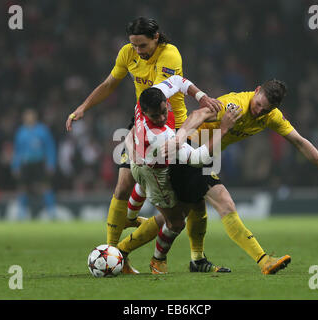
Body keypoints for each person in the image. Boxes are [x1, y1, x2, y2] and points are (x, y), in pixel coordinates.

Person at [117, 79, 318, 275]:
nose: (259, 112)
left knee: (184, 212)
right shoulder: (234, 105)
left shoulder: (271, 117)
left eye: (265, 110)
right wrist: (180, 137)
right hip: (190, 152)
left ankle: (135, 251)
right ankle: (263, 260)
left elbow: (300, 142)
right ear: (256, 91)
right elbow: (199, 113)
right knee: (222, 202)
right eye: (258, 105)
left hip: (203, 155)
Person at [66, 17, 223, 274]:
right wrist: (84, 106)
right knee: (123, 185)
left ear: (156, 37)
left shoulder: (170, 55)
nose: (137, 51)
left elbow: (163, 93)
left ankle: (188, 255)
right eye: (134, 45)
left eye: (142, 45)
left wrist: (202, 99)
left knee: (187, 202)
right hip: (145, 122)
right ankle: (115, 254)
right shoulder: (127, 53)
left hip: (173, 127)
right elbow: (109, 84)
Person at [125, 75, 240, 273]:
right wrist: (223, 129)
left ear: (164, 99)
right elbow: (198, 159)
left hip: (138, 158)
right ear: (144, 112)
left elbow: (177, 80)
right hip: (154, 174)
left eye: (163, 111)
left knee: (141, 182)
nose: (161, 118)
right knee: (176, 221)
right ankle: (157, 260)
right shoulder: (160, 136)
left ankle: (129, 216)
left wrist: (201, 96)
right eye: (155, 116)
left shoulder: (149, 96)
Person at [11, 109, 57, 220]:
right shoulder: (21, 132)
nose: (29, 118)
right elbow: (17, 151)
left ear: (35, 117)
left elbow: (50, 148)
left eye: (30, 116)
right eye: (27, 116)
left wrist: (51, 163)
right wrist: (15, 165)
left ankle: (51, 211)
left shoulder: (42, 130)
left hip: (39, 162)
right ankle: (22, 212)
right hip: (25, 163)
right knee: (22, 187)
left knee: (45, 186)